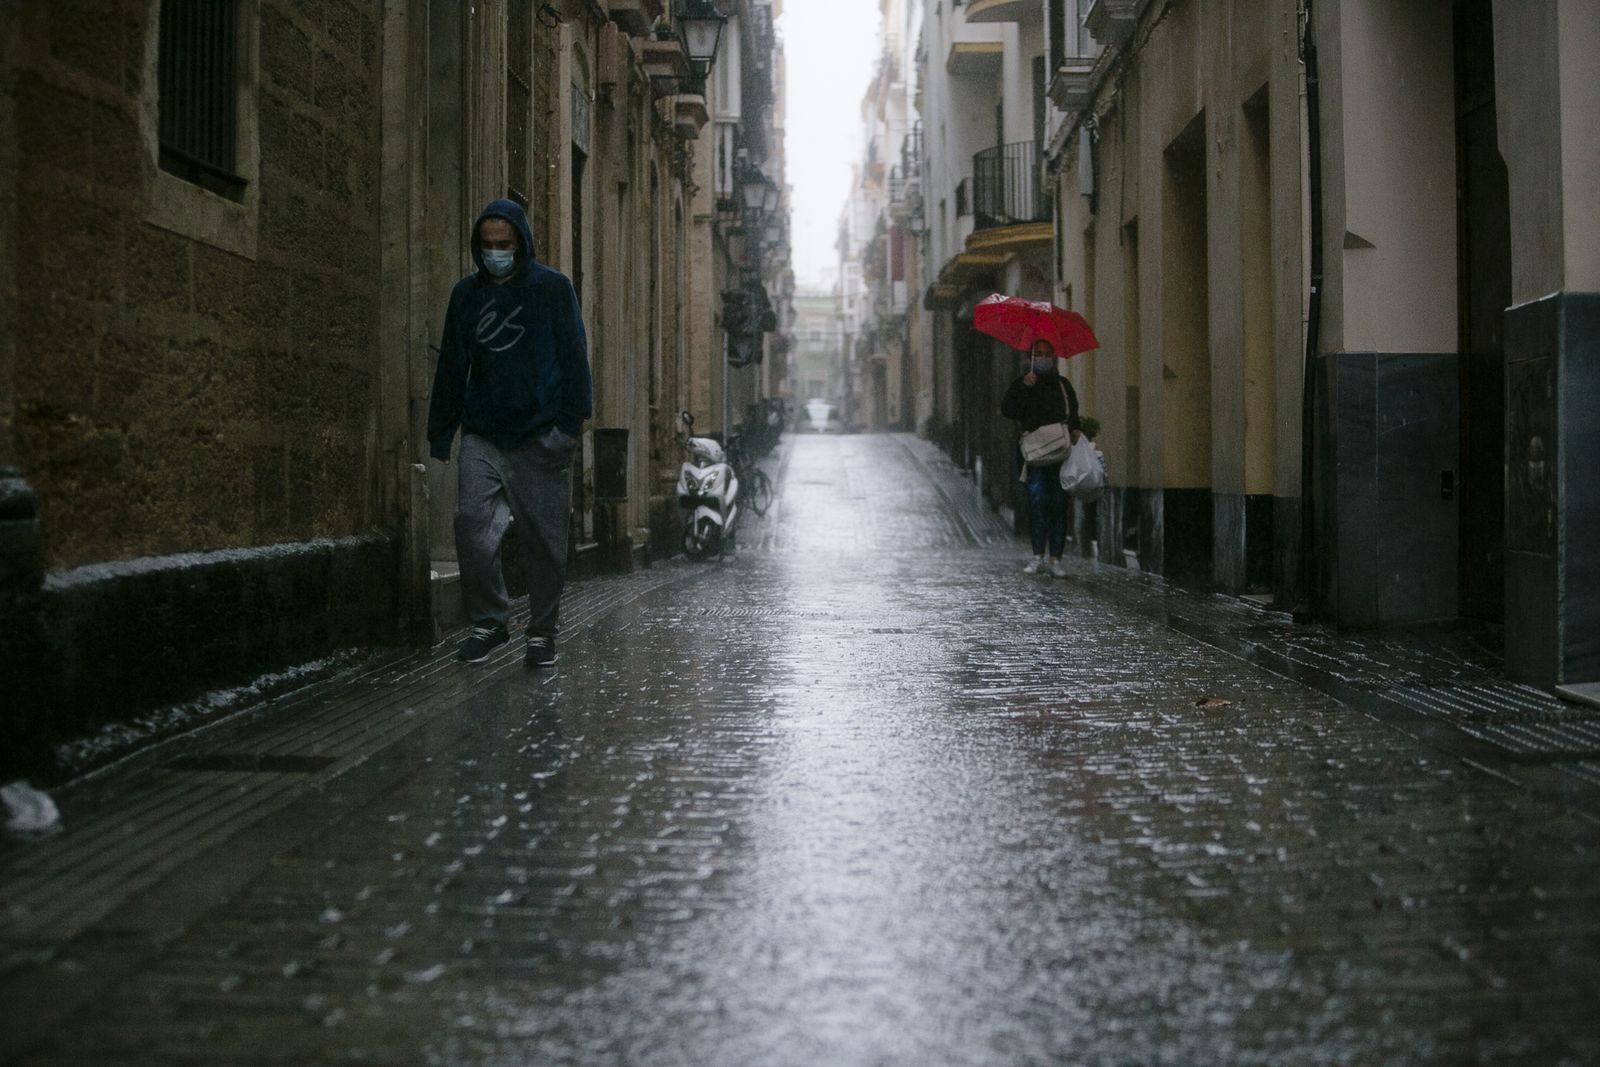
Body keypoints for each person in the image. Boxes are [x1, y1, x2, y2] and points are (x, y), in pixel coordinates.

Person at [427, 199, 593, 668]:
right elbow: (452, 365)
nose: (495, 253)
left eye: (504, 244)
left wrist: (569, 427)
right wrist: (442, 432)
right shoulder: (466, 296)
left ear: (520, 243)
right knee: (471, 527)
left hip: (542, 436)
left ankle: (541, 633)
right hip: (483, 434)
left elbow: (575, 357)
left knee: (545, 541)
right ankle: (490, 622)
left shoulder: (552, 289)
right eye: (487, 245)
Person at [1000, 338, 1081, 578]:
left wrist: (1076, 429)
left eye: (1047, 354)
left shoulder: (1063, 385)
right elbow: (1008, 410)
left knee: (1058, 503)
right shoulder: (1023, 383)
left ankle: (1055, 558)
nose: (1043, 358)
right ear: (1030, 359)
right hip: (1034, 454)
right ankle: (1037, 556)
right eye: (1039, 354)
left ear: (1054, 357)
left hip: (1059, 453)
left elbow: (1072, 413)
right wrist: (1024, 387)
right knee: (1036, 503)